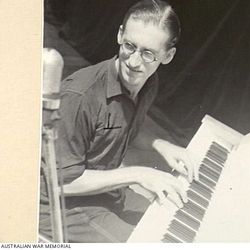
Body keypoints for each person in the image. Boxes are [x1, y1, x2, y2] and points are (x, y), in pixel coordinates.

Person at [39, 0, 198, 243]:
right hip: (62, 206)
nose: (134, 62)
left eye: (148, 53)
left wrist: (160, 144)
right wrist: (136, 174)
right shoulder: (80, 96)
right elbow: (61, 184)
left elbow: (123, 122)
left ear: (168, 56)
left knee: (182, 219)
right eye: (130, 46)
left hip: (107, 193)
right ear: (119, 35)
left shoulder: (147, 82)